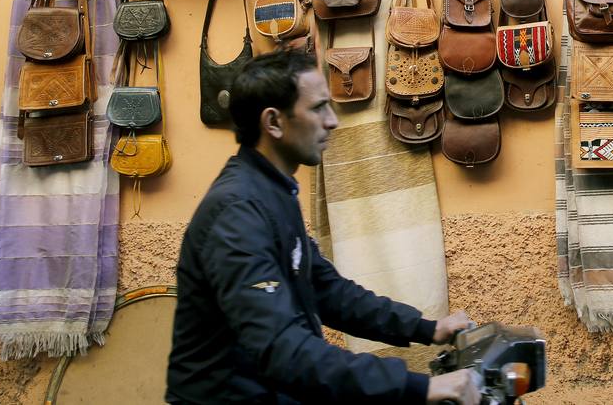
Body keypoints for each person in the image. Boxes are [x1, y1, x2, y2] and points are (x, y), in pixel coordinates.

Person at [166, 48, 479, 404]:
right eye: (317, 108)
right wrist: (421, 387)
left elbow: (328, 291)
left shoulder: (272, 191)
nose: (332, 121)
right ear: (273, 122)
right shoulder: (237, 213)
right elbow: (283, 349)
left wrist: (427, 328)